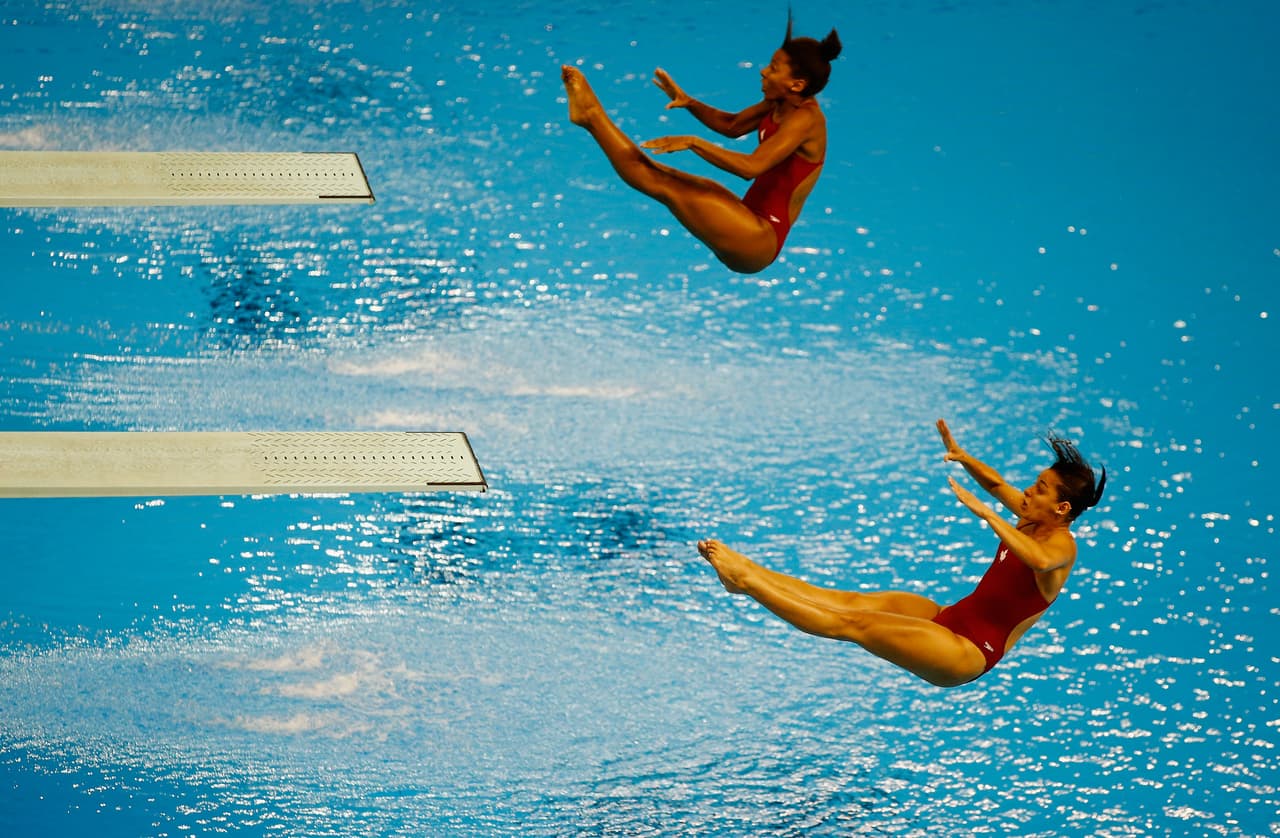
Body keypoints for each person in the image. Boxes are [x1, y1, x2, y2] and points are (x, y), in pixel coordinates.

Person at [697, 419, 1107, 687]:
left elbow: (1035, 560)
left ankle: (746, 583)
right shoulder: (1033, 516)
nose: (1028, 491)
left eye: (1039, 487)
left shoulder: (1060, 547)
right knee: (851, 601)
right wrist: (965, 459)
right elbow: (999, 486)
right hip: (949, 614)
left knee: (853, 623)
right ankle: (751, 572)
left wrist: (984, 514)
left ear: (1062, 508)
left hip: (967, 651)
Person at [561, 15, 841, 274]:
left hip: (759, 238)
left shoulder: (806, 119)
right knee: (661, 176)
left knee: (662, 183)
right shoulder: (777, 102)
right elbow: (732, 125)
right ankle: (590, 117)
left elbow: (751, 167)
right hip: (744, 217)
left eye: (774, 68)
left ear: (797, 84)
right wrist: (690, 103)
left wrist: (694, 143)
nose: (764, 72)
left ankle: (591, 117)